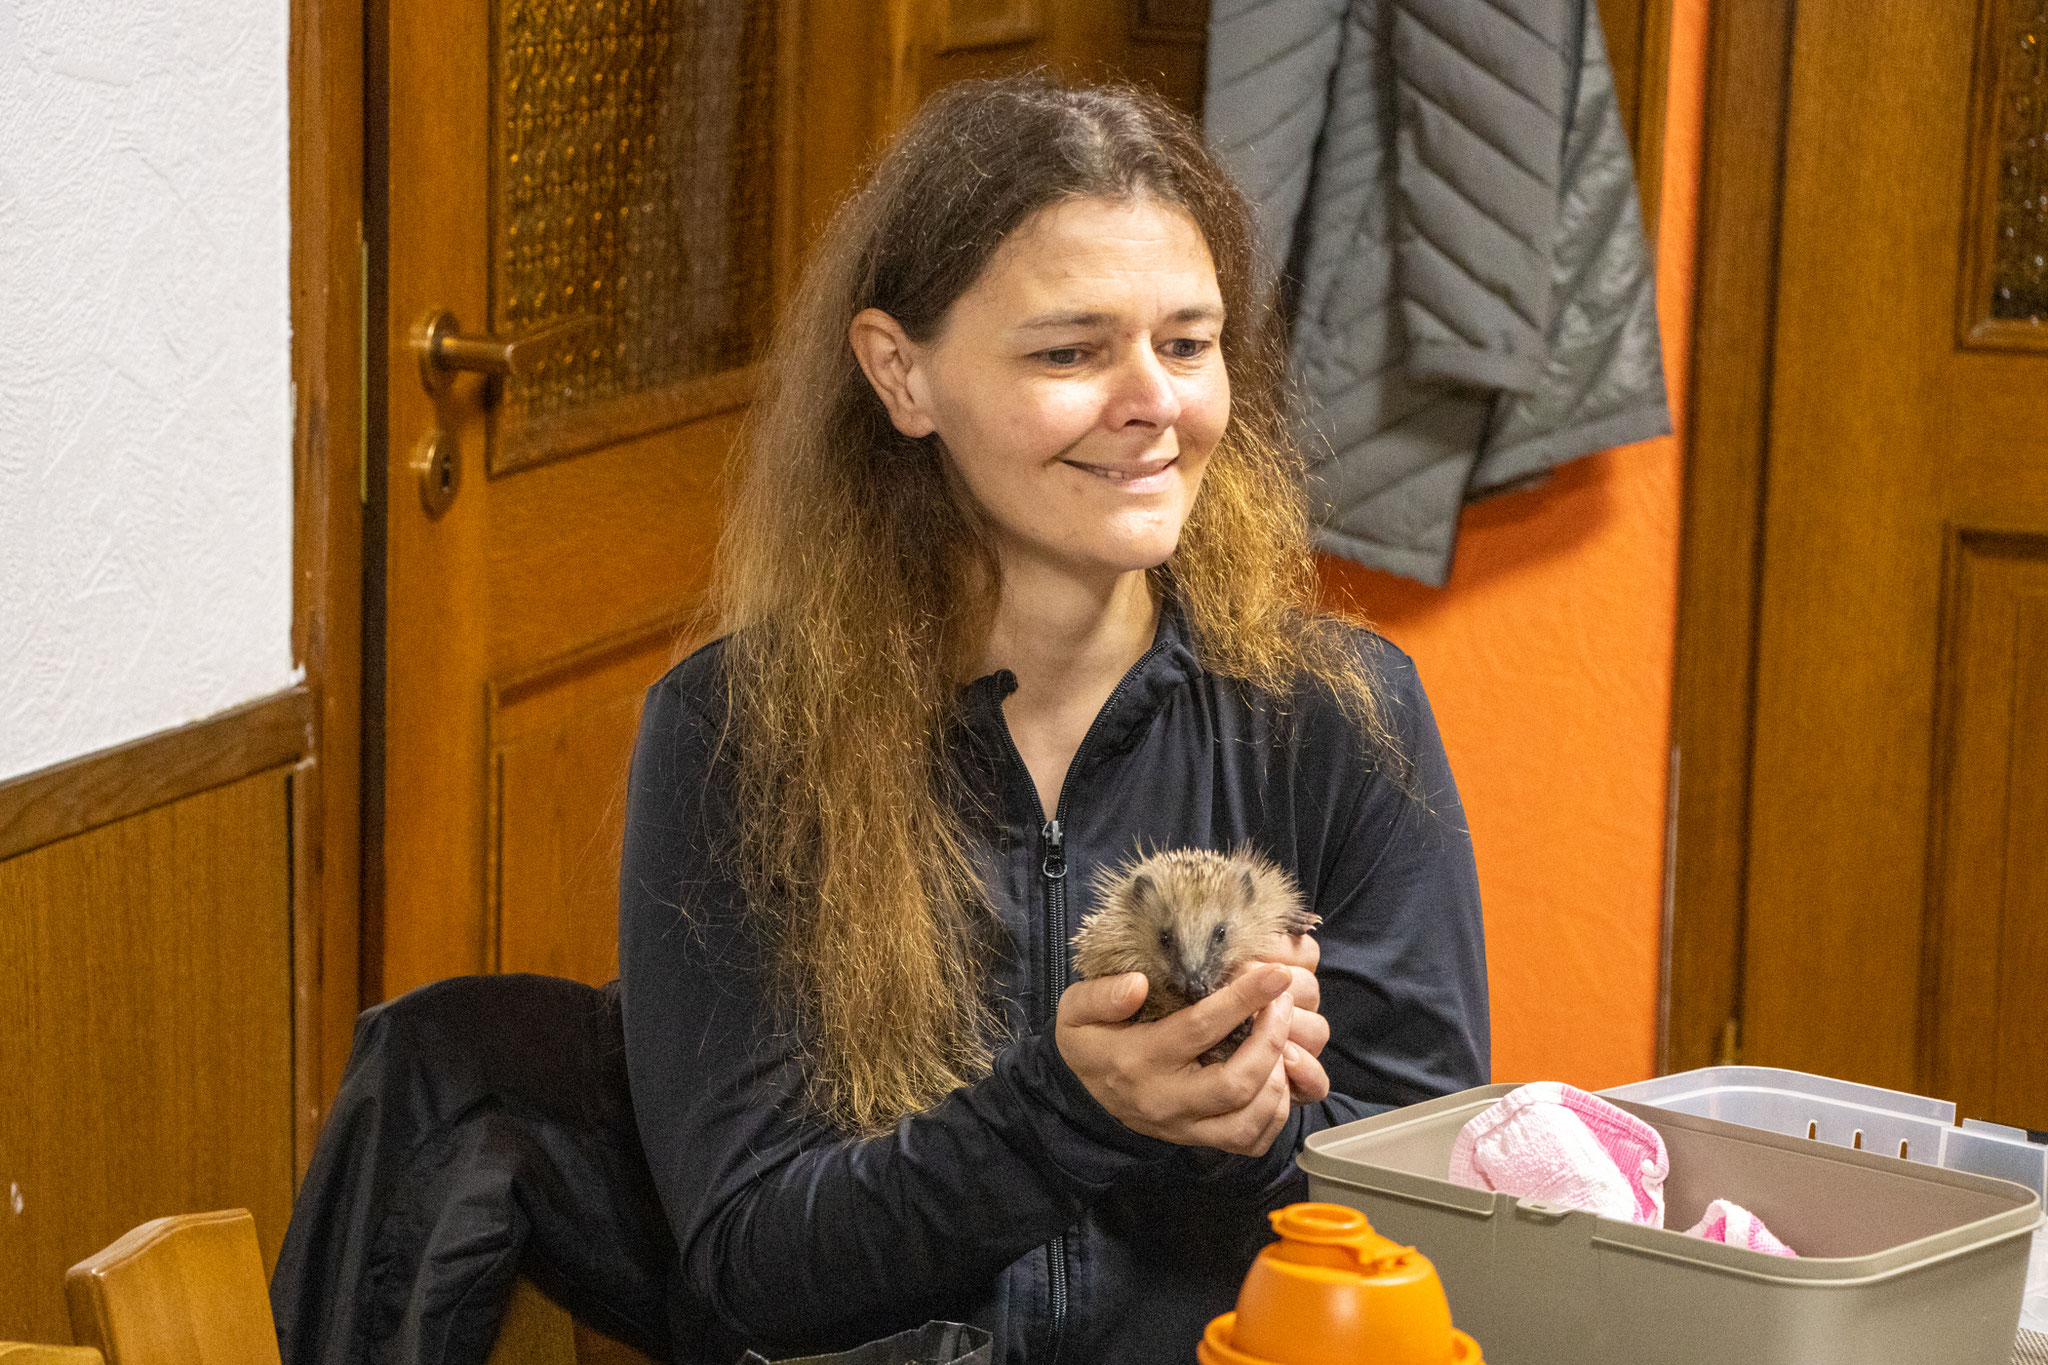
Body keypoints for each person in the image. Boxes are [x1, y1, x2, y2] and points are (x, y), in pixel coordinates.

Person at [618, 75, 1489, 1365]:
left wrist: (1239, 1138)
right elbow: (754, 1265)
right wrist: (1065, 1113)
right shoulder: (736, 732)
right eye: (1071, 351)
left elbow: (1435, 1226)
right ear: (900, 373)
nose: (1155, 405)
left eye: (1188, 345)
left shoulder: (1339, 718)